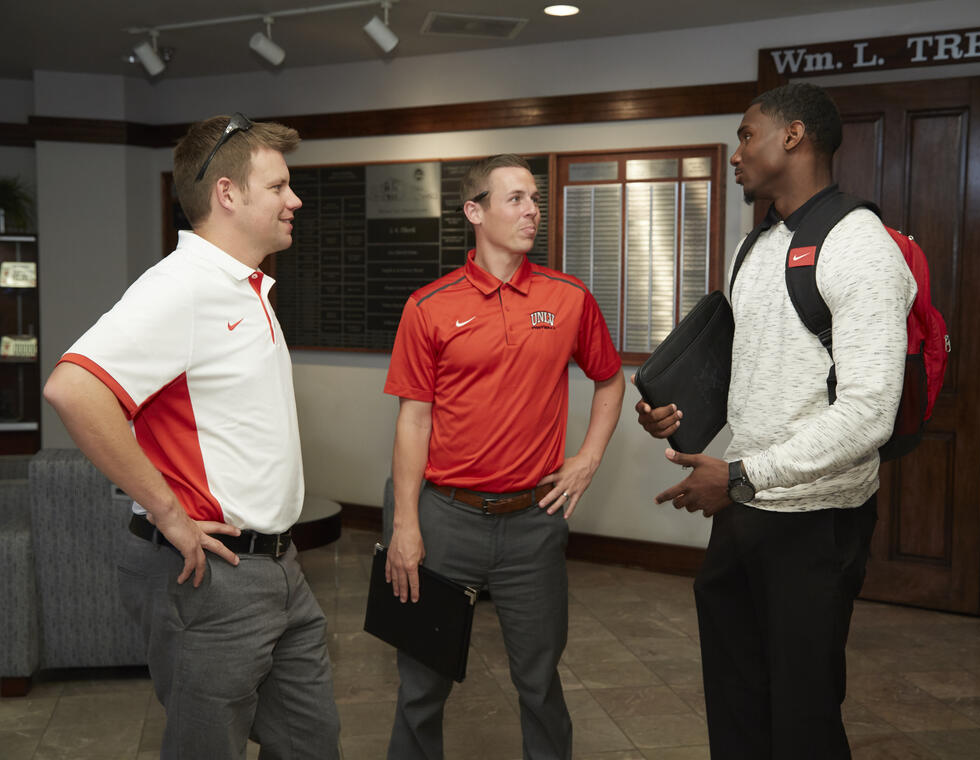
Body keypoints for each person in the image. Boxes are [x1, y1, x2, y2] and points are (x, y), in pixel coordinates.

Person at [42, 113, 340, 760]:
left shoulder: (245, 287)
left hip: (279, 570)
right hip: (213, 577)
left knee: (312, 741)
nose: (295, 200)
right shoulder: (181, 288)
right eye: (279, 187)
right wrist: (170, 512)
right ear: (227, 194)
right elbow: (73, 388)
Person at [635, 83, 917, 758]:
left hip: (818, 520)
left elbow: (870, 412)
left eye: (745, 134)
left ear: (793, 136)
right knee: (735, 699)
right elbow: (749, 364)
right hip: (746, 507)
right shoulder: (752, 248)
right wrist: (679, 414)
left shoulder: (862, 246)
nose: (736, 153)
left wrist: (736, 477)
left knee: (803, 715)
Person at [383, 153, 624, 760]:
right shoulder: (428, 306)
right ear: (475, 212)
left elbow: (611, 379)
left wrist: (588, 457)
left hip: (532, 524)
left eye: (533, 198)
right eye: (514, 198)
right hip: (445, 520)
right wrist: (405, 524)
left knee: (540, 683)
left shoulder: (567, 298)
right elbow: (413, 420)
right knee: (421, 685)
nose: (531, 210)